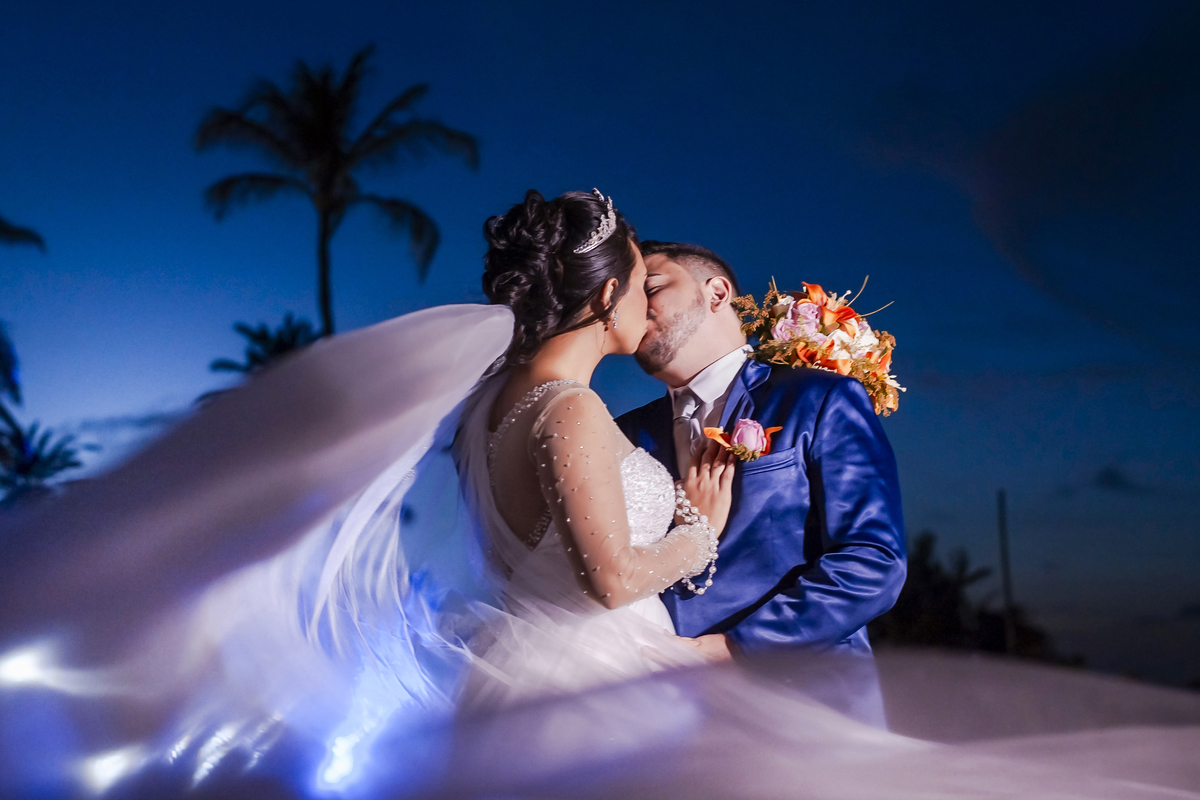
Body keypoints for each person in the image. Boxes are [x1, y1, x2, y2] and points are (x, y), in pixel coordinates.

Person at [617, 240, 906, 725]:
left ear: (717, 293)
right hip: (666, 715)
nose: (636, 307)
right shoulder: (622, 434)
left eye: (652, 287)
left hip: (806, 706)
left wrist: (737, 648)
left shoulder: (820, 399)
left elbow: (872, 560)